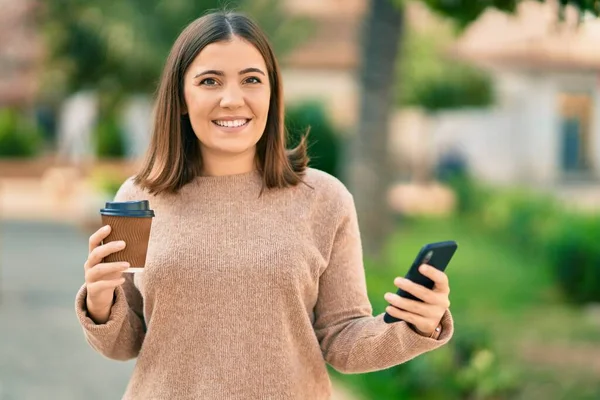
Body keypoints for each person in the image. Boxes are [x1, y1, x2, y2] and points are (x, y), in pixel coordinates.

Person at [75, 10, 454, 400]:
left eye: (252, 80)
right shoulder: (134, 199)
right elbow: (123, 344)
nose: (232, 99)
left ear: (272, 93)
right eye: (209, 81)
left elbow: (342, 341)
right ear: (182, 98)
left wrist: (413, 327)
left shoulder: (325, 199)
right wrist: (100, 301)